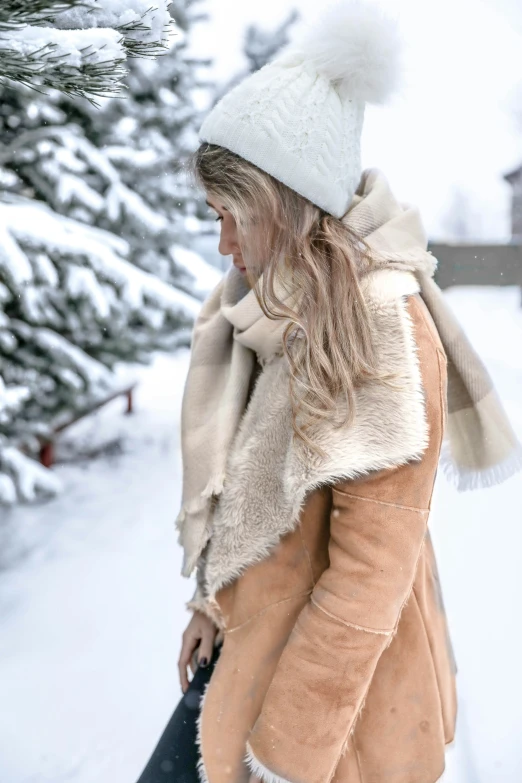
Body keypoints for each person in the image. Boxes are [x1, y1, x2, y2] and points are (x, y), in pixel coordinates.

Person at [135, 2, 522, 782]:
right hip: (250, 651)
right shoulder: (283, 315)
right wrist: (212, 604)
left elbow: (369, 574)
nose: (222, 244)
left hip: (328, 719)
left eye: (232, 216)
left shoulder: (376, 328)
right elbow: (260, 491)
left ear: (285, 201)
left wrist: (289, 750)